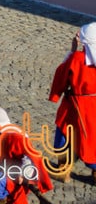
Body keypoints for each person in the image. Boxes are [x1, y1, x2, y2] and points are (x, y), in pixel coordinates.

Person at [48, 22, 96, 184]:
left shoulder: (77, 59)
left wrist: (72, 50)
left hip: (74, 108)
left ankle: (63, 171)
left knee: (65, 135)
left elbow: (61, 75)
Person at [0, 105, 53, 204]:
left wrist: (22, 174)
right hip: (5, 167)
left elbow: (30, 159)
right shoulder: (0, 134)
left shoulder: (17, 138)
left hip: (16, 174)